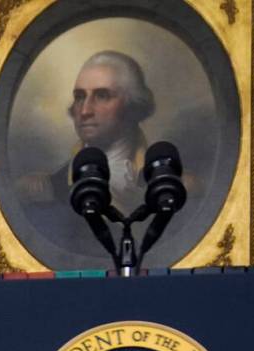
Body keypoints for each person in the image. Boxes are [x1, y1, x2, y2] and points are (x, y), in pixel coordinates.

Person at [16, 51, 157, 267]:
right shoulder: (50, 189)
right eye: (80, 97)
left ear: (132, 105)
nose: (84, 110)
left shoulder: (167, 185)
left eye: (102, 96)